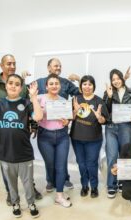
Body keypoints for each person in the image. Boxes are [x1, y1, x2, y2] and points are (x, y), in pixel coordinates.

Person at [0, 54, 42, 205]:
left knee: (25, 167)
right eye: (8, 63)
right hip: (3, 134)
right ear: (1, 65)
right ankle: (11, 194)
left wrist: (34, 123)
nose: (12, 66)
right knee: (7, 167)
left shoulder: (22, 85)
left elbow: (30, 109)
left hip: (21, 134)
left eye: (14, 63)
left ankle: (30, 190)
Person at [35, 58, 80, 190]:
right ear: (48, 68)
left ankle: (63, 181)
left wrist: (70, 117)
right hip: (45, 131)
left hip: (61, 130)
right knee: (50, 162)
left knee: (61, 161)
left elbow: (82, 93)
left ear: (60, 86)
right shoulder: (39, 86)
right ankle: (50, 180)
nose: (58, 68)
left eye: (60, 66)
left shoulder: (66, 84)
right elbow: (27, 98)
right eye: (55, 66)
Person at [103, 69, 131, 198]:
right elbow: (105, 112)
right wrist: (109, 98)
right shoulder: (108, 92)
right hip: (111, 127)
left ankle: (123, 182)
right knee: (112, 156)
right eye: (113, 79)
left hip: (126, 127)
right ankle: (111, 184)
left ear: (122, 78)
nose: (115, 81)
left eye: (117, 78)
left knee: (125, 155)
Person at [70, 75, 109, 198]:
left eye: (90, 84)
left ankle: (94, 187)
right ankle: (84, 185)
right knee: (81, 164)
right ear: (81, 86)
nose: (87, 86)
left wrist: (99, 117)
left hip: (94, 139)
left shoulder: (99, 101)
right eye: (84, 84)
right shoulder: (75, 99)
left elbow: (104, 120)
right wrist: (75, 111)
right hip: (77, 138)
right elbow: (69, 118)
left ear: (94, 86)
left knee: (91, 164)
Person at [37, 74, 72, 207]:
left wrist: (66, 121)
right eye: (51, 83)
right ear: (46, 86)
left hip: (62, 135)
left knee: (61, 165)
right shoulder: (39, 99)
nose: (54, 86)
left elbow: (67, 119)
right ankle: (57, 185)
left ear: (60, 85)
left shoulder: (63, 100)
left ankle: (59, 195)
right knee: (50, 165)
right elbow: (33, 116)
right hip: (45, 136)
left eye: (56, 83)